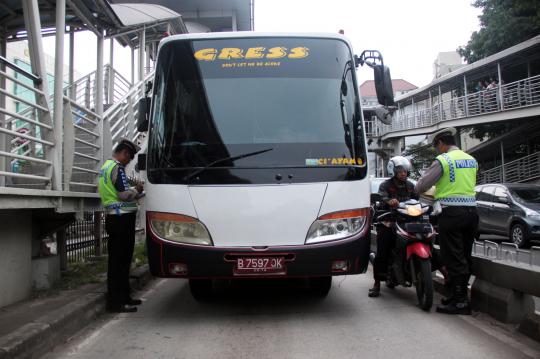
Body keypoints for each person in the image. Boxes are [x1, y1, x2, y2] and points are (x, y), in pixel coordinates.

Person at [414, 127, 478, 315]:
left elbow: (421, 186)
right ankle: (458, 296)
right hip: (472, 212)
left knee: (453, 257)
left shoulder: (444, 160)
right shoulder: (471, 159)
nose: (437, 150)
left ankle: (460, 302)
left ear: (441, 143)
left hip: (452, 214)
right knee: (465, 255)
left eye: (436, 146)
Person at [98, 139, 144, 313]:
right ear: (124, 153)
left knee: (121, 261)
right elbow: (123, 195)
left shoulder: (106, 167)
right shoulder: (116, 168)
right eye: (129, 158)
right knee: (119, 263)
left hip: (116, 219)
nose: (129, 161)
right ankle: (116, 302)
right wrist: (137, 191)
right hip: (121, 220)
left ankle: (124, 297)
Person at [368, 156, 418, 297]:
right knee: (383, 249)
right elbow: (383, 197)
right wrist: (390, 201)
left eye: (405, 171)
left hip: (407, 221)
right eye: (400, 170)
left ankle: (443, 271)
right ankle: (377, 283)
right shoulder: (385, 185)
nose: (403, 173)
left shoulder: (410, 185)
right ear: (393, 171)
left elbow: (417, 199)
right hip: (389, 221)